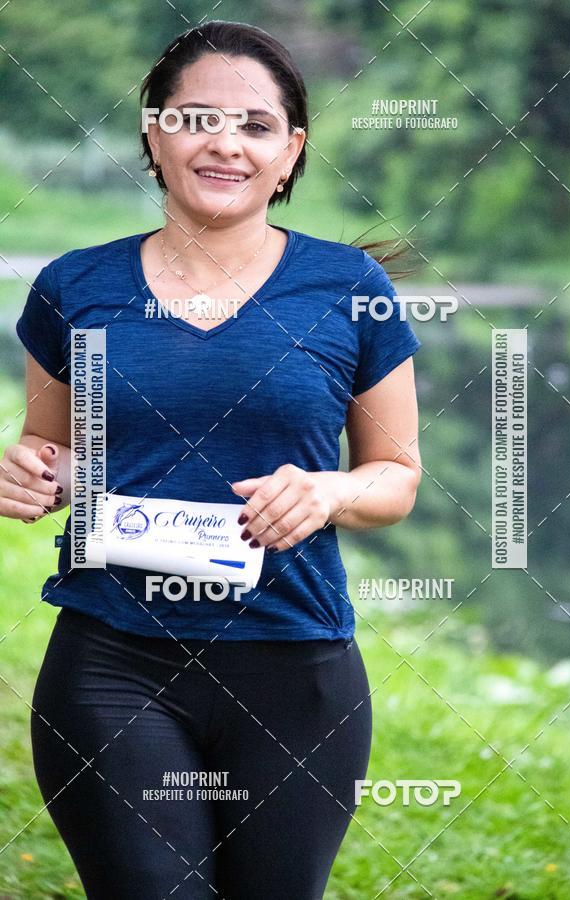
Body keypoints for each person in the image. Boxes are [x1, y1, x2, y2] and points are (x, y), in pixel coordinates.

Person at [0, 21, 422, 899]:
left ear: (290, 151)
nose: (226, 143)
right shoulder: (74, 288)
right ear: (154, 132)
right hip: (111, 664)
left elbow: (396, 478)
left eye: (257, 126)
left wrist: (330, 490)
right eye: (196, 118)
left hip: (296, 667)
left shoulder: (350, 291)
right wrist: (28, 472)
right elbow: (56, 453)